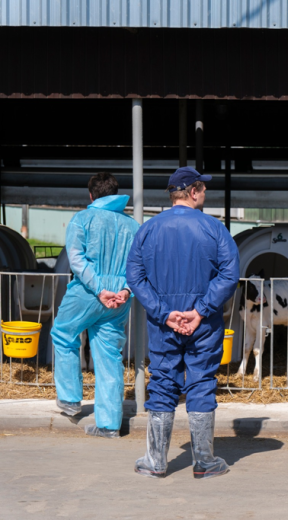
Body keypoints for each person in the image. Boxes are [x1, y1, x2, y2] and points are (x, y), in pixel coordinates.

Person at [127, 166, 239, 479]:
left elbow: (135, 276)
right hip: (203, 323)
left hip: (164, 324)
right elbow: (230, 274)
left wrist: (164, 312)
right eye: (203, 188)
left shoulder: (148, 229)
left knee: (162, 382)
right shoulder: (214, 229)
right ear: (192, 192)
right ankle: (204, 461)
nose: (205, 193)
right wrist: (201, 310)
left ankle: (156, 461)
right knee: (202, 382)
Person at [52, 172, 140, 439]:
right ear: (116, 194)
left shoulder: (82, 219)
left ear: (91, 195)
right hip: (120, 297)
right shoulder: (133, 225)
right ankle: (109, 424)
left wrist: (100, 289)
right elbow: (138, 266)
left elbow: (77, 260)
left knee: (63, 334)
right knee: (109, 355)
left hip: (88, 292)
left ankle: (69, 399)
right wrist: (125, 290)